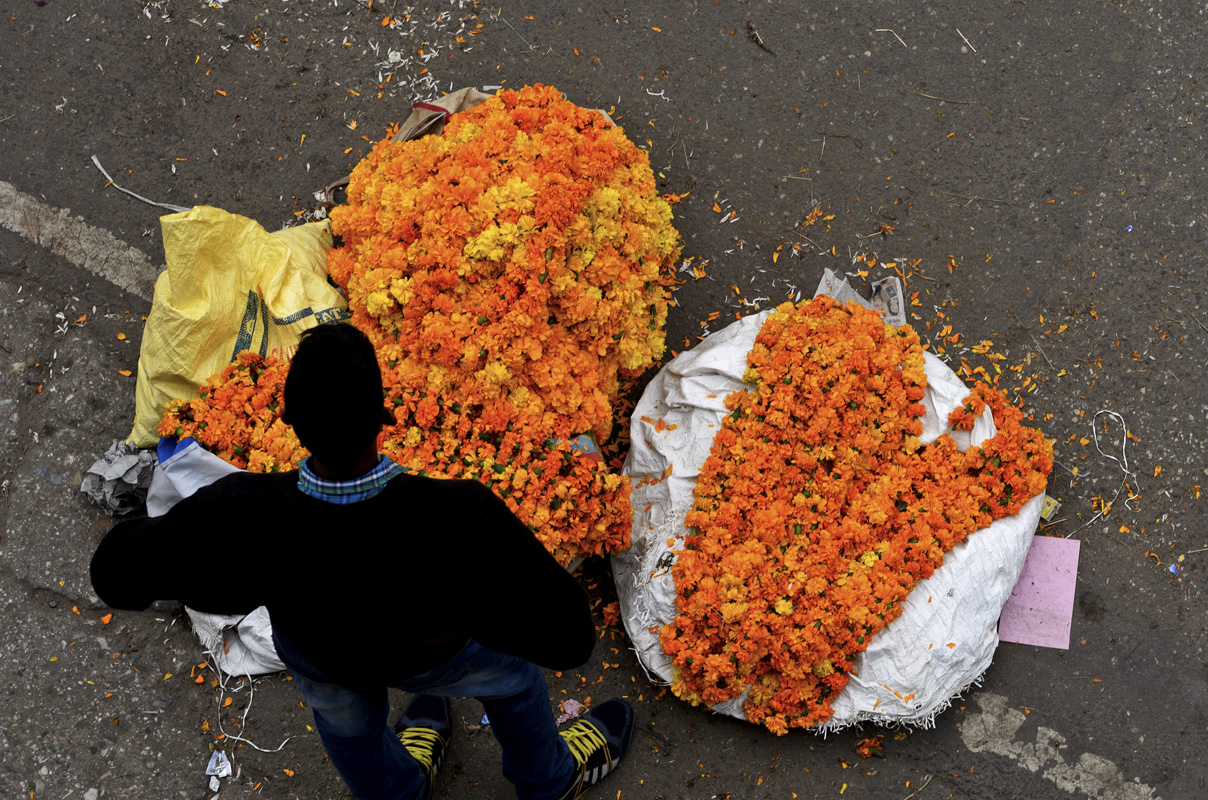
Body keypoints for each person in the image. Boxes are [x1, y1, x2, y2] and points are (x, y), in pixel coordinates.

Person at [90, 322, 634, 800]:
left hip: (323, 656)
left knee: (346, 725)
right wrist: (466, 614)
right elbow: (569, 639)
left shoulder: (246, 512)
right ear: (385, 416)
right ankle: (547, 781)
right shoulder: (459, 517)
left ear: (289, 421)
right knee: (514, 678)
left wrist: (213, 553)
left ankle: (401, 792)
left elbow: (116, 573)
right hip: (430, 655)